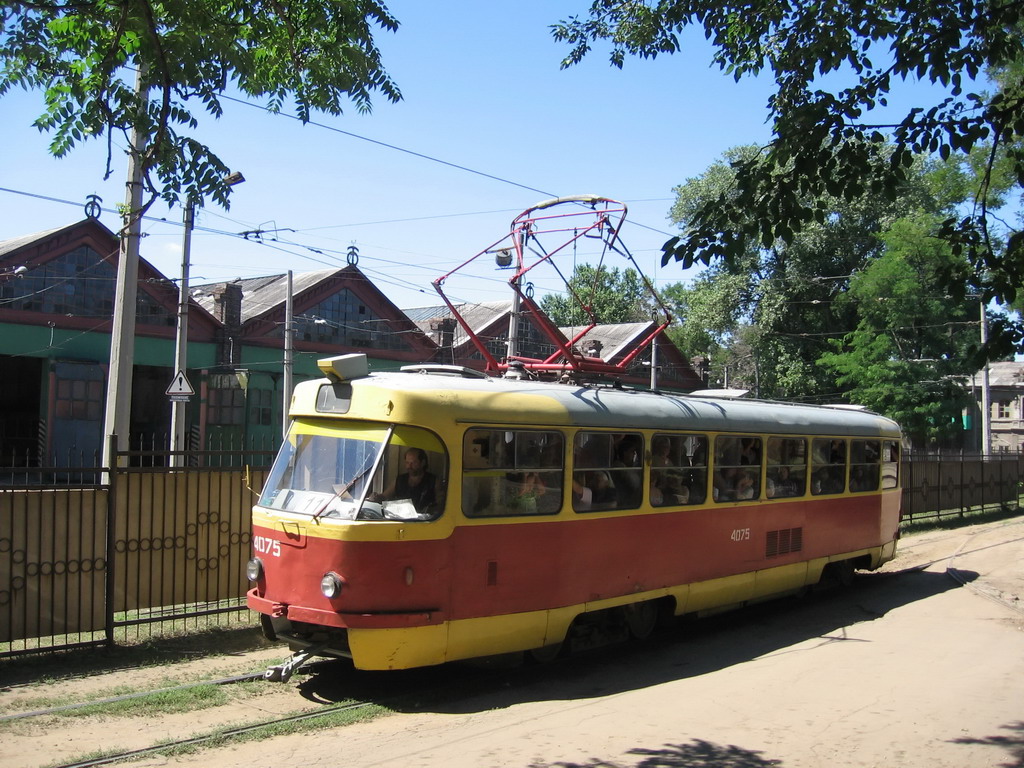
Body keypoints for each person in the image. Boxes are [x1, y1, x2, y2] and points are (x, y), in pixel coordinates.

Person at [374, 447, 437, 513]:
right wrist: (376, 497)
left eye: (413, 463)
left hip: (425, 521)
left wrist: (430, 510)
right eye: (407, 463)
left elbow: (441, 504)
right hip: (400, 519)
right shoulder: (400, 480)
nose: (409, 466)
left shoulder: (433, 481)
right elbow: (384, 496)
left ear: (423, 462)